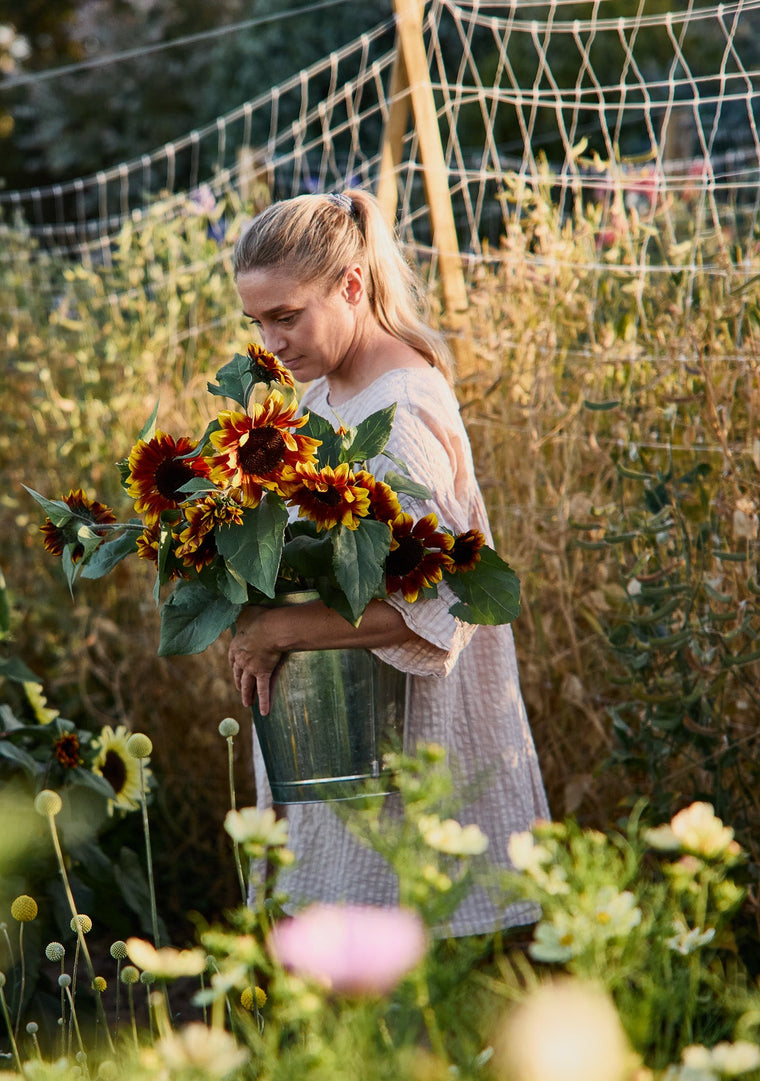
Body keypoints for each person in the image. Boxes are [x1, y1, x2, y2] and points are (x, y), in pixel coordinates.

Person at [227, 188, 549, 936]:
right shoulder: (322, 390)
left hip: (407, 735)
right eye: (257, 321)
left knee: (419, 947)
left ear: (351, 286)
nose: (271, 341)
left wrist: (281, 631)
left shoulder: (399, 412)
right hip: (344, 728)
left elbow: (439, 603)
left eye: (286, 316)